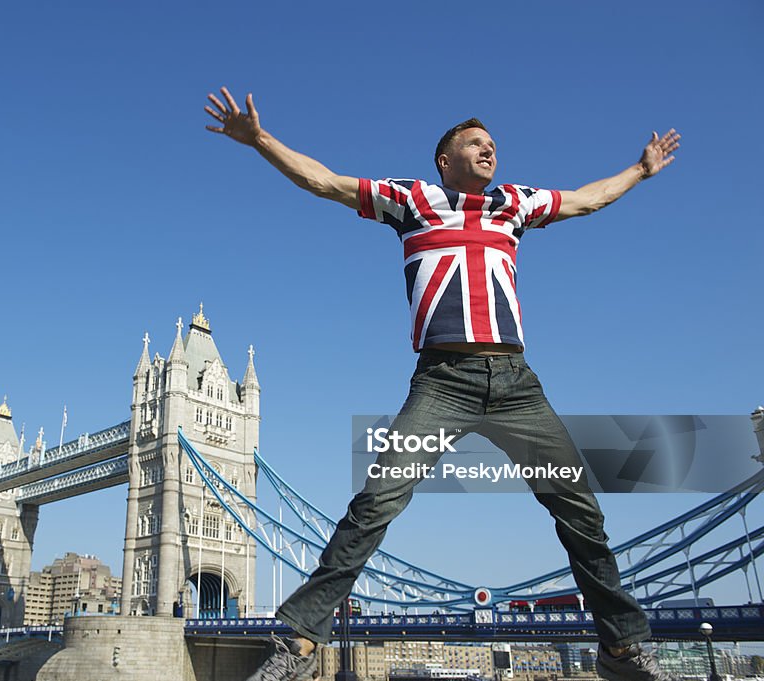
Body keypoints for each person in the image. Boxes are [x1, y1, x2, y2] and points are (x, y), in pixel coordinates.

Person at [204, 87, 681, 681]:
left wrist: (640, 169)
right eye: (476, 143)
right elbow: (325, 182)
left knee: (579, 509)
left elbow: (585, 200)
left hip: (516, 383)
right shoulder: (414, 201)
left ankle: (620, 648)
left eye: (493, 146)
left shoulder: (514, 204)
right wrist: (261, 141)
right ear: (444, 159)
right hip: (442, 382)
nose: (489, 150)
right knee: (375, 503)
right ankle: (299, 643)